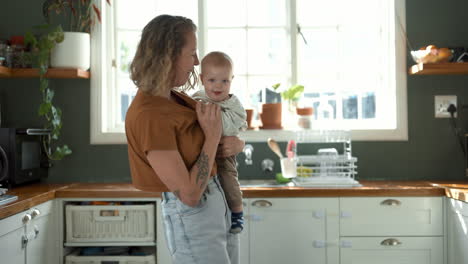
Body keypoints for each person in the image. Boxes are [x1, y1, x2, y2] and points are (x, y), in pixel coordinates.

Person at [125, 14, 245, 264]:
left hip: (215, 203)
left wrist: (238, 144)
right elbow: (189, 195)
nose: (197, 61)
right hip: (195, 213)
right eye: (192, 53)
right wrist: (212, 137)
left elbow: (212, 137)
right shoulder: (150, 114)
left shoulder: (173, 98)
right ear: (169, 55)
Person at [192, 51, 247, 234]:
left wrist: (213, 122)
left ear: (231, 80)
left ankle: (238, 212)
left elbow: (236, 124)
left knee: (229, 179)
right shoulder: (197, 100)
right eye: (212, 80)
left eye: (225, 81)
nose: (218, 86)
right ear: (202, 78)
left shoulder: (232, 104)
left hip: (223, 153)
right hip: (201, 154)